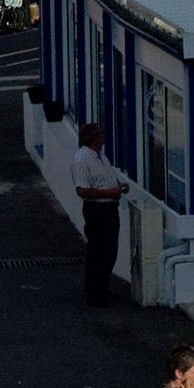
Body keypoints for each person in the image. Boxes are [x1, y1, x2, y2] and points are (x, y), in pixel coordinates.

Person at [73, 124, 126, 306]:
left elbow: (106, 177)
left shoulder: (100, 156)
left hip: (110, 208)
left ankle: (102, 290)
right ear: (93, 138)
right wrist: (110, 193)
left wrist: (118, 186)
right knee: (98, 252)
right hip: (97, 210)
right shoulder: (82, 160)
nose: (104, 136)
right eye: (100, 134)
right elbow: (82, 190)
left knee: (109, 252)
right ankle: (94, 295)